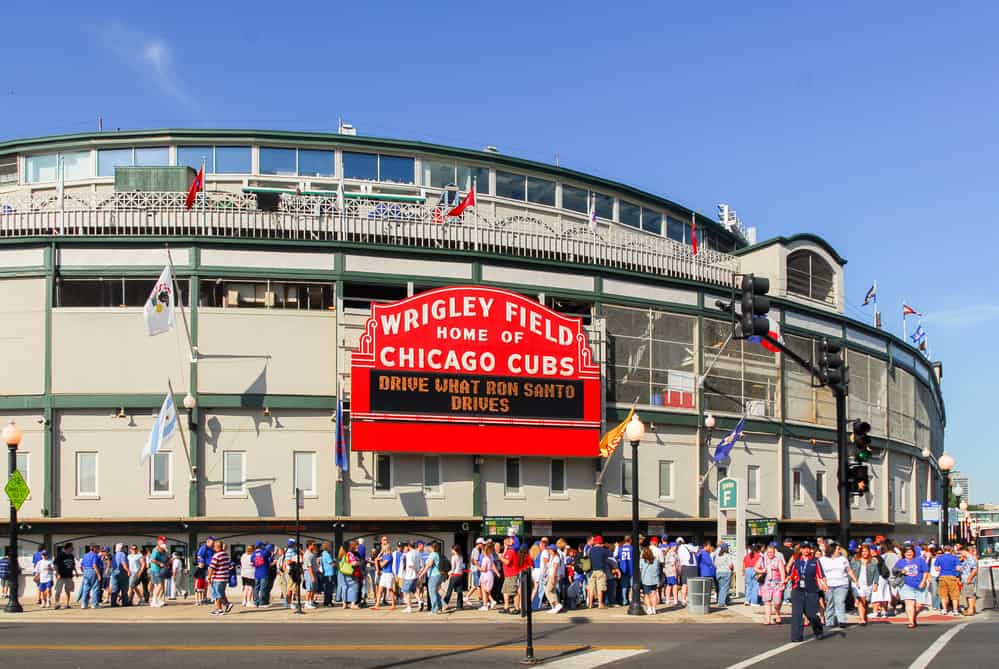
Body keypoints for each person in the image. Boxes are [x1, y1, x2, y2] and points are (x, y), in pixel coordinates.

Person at [785, 541, 827, 642]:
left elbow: (821, 575)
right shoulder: (797, 561)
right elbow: (791, 574)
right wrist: (785, 581)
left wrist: (825, 584)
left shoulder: (815, 561)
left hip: (811, 590)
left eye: (807, 548)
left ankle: (818, 630)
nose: (806, 550)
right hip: (798, 590)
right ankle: (796, 636)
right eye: (803, 548)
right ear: (800, 550)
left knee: (811, 614)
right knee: (797, 614)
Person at [819, 542, 856, 629]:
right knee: (830, 602)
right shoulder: (822, 560)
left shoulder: (843, 559)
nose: (840, 551)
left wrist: (855, 580)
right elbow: (820, 573)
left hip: (842, 584)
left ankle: (841, 620)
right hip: (828, 584)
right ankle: (829, 621)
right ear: (833, 550)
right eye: (838, 549)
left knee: (840, 602)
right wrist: (822, 583)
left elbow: (849, 570)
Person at [894, 544, 930, 629]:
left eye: (910, 552)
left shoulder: (920, 560)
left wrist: (923, 581)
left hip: (919, 585)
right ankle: (911, 622)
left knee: (919, 605)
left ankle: (913, 617)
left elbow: (925, 572)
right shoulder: (901, 561)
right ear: (904, 553)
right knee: (909, 604)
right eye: (907, 552)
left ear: (914, 552)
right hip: (906, 585)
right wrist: (901, 570)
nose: (909, 553)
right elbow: (894, 570)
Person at [755, 542, 786, 625]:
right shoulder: (762, 559)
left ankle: (777, 613)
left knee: (777, 602)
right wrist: (762, 570)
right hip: (766, 583)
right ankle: (768, 619)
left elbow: (782, 572)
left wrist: (783, 583)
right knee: (767, 602)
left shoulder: (778, 560)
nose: (770, 554)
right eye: (768, 552)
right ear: (766, 552)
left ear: (774, 552)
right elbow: (756, 568)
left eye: (771, 552)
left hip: (777, 583)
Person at [850, 543, 879, 625]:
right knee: (861, 599)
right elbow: (850, 571)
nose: (864, 553)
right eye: (863, 551)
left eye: (866, 551)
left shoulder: (873, 561)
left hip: (868, 583)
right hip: (857, 583)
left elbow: (876, 573)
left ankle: (864, 616)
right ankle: (862, 619)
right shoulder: (855, 559)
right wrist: (852, 580)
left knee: (865, 601)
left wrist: (876, 584)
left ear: (869, 552)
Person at [934, 544, 962, 616]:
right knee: (954, 595)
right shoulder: (955, 558)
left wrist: (943, 568)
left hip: (942, 577)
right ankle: (955, 610)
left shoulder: (939, 558)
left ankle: (944, 610)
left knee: (943, 594)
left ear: (943, 550)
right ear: (951, 550)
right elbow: (958, 568)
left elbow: (936, 569)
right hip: (952, 577)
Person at [207, 540, 234, 616]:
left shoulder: (216, 556)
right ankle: (227, 604)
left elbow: (212, 567)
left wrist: (209, 577)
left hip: (217, 578)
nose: (213, 548)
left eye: (214, 546)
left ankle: (219, 609)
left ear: (216, 547)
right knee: (221, 593)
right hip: (224, 577)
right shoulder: (226, 555)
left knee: (217, 594)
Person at [585, 536, 610, 609]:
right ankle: (600, 604)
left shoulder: (590, 550)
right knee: (600, 588)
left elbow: (587, 558)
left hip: (591, 571)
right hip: (600, 571)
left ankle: (590, 604)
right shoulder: (604, 550)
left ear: (595, 541)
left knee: (591, 588)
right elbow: (610, 556)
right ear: (601, 542)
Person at [419, 541, 443, 614]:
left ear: (431, 547)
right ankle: (441, 606)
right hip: (437, 575)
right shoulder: (436, 554)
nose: (426, 548)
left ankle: (434, 610)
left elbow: (429, 565)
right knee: (435, 592)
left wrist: (422, 574)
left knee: (432, 593)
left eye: (427, 546)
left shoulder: (432, 554)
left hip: (434, 576)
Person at [499, 535, 521, 613]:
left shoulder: (511, 551)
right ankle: (506, 607)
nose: (506, 540)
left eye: (509, 539)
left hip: (512, 575)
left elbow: (507, 562)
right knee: (505, 591)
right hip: (508, 575)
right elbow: (503, 555)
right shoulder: (508, 550)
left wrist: (501, 558)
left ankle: (517, 608)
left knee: (514, 592)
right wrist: (505, 548)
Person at [53, 545, 79, 610]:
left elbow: (73, 565)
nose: (72, 550)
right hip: (61, 576)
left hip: (69, 575)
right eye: (71, 548)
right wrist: (57, 573)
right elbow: (55, 565)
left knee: (68, 590)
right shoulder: (60, 555)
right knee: (58, 590)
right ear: (67, 548)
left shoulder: (71, 556)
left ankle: (67, 604)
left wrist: (76, 572)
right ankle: (57, 603)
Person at [374, 539, 397, 611]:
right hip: (384, 574)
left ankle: (393, 604)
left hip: (388, 574)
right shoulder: (384, 555)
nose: (382, 549)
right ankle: (377, 605)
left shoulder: (389, 556)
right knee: (380, 589)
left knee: (389, 589)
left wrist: (379, 560)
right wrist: (380, 555)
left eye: (383, 548)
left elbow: (382, 565)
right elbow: (376, 559)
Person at [442, 544, 465, 612]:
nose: (451, 550)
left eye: (452, 549)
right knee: (459, 591)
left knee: (449, 590)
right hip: (460, 575)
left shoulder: (454, 557)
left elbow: (453, 568)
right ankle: (459, 605)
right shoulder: (461, 556)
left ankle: (445, 603)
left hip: (455, 575)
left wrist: (449, 575)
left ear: (454, 550)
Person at [79, 544, 103, 609]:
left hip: (86, 571)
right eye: (98, 548)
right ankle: (94, 604)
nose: (99, 550)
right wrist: (98, 575)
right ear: (94, 549)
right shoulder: (95, 555)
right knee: (95, 588)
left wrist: (84, 572)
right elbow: (94, 565)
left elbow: (81, 566)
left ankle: (84, 604)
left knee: (86, 589)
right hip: (93, 571)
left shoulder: (85, 555)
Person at [148, 537, 169, 607]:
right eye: (162, 541)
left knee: (157, 585)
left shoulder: (164, 550)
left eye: (164, 541)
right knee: (159, 585)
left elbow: (166, 560)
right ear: (158, 542)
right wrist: (160, 563)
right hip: (155, 570)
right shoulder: (155, 550)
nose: (163, 542)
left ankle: (155, 600)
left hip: (160, 570)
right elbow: (152, 560)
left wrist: (168, 561)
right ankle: (154, 600)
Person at [676, 538, 698, 606]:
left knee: (685, 584)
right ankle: (692, 600)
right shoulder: (688, 546)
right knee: (693, 584)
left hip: (686, 566)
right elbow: (697, 549)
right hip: (694, 566)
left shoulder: (679, 549)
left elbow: (679, 561)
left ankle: (683, 600)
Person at [639, 546, 660, 615]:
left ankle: (649, 609)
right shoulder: (656, 560)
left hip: (646, 580)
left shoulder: (642, 560)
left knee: (646, 595)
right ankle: (654, 609)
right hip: (654, 579)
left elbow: (640, 570)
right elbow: (657, 570)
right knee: (653, 594)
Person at [195, 537, 215, 606]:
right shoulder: (204, 547)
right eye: (212, 542)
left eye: (213, 542)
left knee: (208, 583)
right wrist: (201, 563)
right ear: (208, 541)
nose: (213, 544)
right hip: (205, 567)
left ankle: (205, 597)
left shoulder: (211, 549)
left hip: (210, 567)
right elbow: (199, 556)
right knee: (204, 583)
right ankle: (202, 598)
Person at [714, 543, 735, 607]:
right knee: (724, 588)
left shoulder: (718, 555)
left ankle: (722, 601)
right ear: (726, 548)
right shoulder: (728, 555)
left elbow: (715, 564)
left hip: (718, 572)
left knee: (721, 588)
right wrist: (732, 568)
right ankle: (721, 603)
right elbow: (730, 565)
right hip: (726, 572)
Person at [109, 543, 130, 607]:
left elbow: (111, 565)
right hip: (122, 573)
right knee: (124, 588)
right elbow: (123, 563)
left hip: (114, 573)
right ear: (122, 548)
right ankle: (125, 602)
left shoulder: (114, 555)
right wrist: (128, 571)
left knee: (115, 589)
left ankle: (113, 603)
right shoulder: (123, 554)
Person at [696, 540, 717, 604]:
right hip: (707, 573)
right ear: (706, 546)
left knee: (704, 589)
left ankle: (704, 601)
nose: (710, 547)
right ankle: (706, 601)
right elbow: (709, 563)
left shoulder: (700, 552)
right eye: (709, 546)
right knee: (707, 589)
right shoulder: (704, 553)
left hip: (703, 572)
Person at [478, 541, 497, 611]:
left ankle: (485, 605)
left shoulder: (485, 559)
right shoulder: (491, 557)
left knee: (484, 590)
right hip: (490, 574)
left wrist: (477, 566)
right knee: (487, 590)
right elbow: (492, 566)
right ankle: (491, 601)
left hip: (485, 575)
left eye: (482, 551)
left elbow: (483, 569)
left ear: (485, 551)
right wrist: (497, 572)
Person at [251, 541, 270, 607]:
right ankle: (262, 602)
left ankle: (256, 602)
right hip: (264, 572)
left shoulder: (253, 554)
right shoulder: (264, 552)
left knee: (256, 588)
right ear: (261, 546)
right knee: (263, 588)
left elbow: (252, 563)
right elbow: (269, 553)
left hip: (257, 573)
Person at [960, 546, 978, 617]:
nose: (961, 554)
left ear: (965, 551)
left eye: (961, 553)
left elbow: (974, 570)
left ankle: (971, 610)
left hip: (969, 580)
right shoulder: (968, 559)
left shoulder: (971, 559)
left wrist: (969, 578)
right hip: (966, 579)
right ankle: (970, 609)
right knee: (968, 595)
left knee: (970, 595)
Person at [320, 541, 336, 608]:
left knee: (328, 588)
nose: (331, 548)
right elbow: (331, 563)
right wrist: (336, 562)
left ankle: (329, 601)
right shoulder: (326, 554)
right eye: (330, 546)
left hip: (327, 573)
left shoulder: (324, 553)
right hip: (328, 573)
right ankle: (327, 602)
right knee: (329, 588)